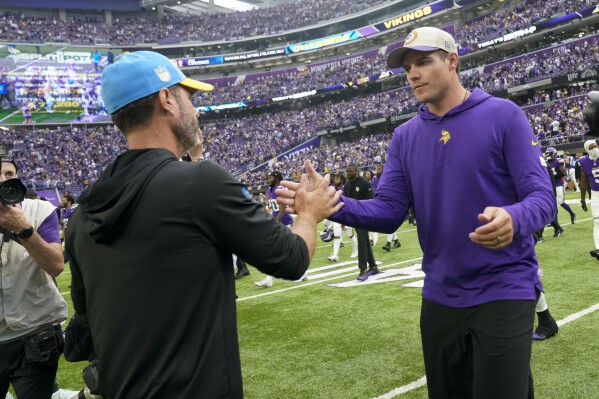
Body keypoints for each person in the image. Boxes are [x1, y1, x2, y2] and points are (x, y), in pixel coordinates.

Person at [277, 27, 555, 398]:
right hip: (439, 295)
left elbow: (542, 196)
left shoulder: (503, 115)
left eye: (424, 62)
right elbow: (389, 210)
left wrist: (514, 218)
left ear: (453, 61)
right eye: (408, 67)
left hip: (504, 288)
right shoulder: (405, 136)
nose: (413, 74)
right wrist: (328, 205)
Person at [64, 51, 341, 398]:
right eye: (189, 98)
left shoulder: (83, 212)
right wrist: (308, 214)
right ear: (166, 99)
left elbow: (87, 324)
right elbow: (291, 258)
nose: (196, 111)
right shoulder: (199, 183)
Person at [0, 158, 67, 399]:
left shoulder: (39, 209)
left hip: (35, 331)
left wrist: (23, 229)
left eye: (10, 174)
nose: (5, 180)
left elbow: (56, 265)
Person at [255, 170, 303, 287]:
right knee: (274, 251)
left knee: (287, 251)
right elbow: (273, 207)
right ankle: (269, 279)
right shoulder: (270, 190)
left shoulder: (280, 189)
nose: (268, 179)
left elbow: (282, 211)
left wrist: (273, 223)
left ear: (276, 178)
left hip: (284, 222)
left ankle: (302, 274)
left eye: (270, 178)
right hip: (277, 221)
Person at [344, 164, 379, 281]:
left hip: (364, 217)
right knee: (365, 242)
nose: (348, 173)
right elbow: (346, 203)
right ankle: (373, 266)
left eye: (350, 171)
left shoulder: (365, 183)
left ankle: (362, 269)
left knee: (362, 241)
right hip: (354, 218)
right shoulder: (347, 185)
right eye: (347, 171)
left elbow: (370, 201)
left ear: (356, 171)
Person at [326, 173, 358, 262]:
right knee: (337, 236)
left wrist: (345, 219)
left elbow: (346, 204)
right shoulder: (334, 189)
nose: (335, 180)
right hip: (336, 215)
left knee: (350, 234)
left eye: (337, 179)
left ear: (342, 180)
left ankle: (355, 251)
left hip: (345, 215)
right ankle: (335, 255)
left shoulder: (345, 189)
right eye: (335, 179)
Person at [578, 139, 599, 260]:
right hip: (596, 194)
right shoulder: (583, 162)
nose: (594, 148)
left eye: (595, 146)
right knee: (597, 221)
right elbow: (583, 182)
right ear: (586, 149)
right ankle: (598, 249)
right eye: (591, 147)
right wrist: (582, 200)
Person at [545, 147, 576, 224]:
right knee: (553, 204)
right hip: (550, 185)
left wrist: (566, 175)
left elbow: (562, 169)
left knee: (561, 203)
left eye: (550, 153)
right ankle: (555, 222)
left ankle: (572, 214)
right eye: (547, 153)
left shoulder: (558, 161)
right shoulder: (546, 162)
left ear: (554, 154)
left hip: (558, 184)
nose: (548, 155)